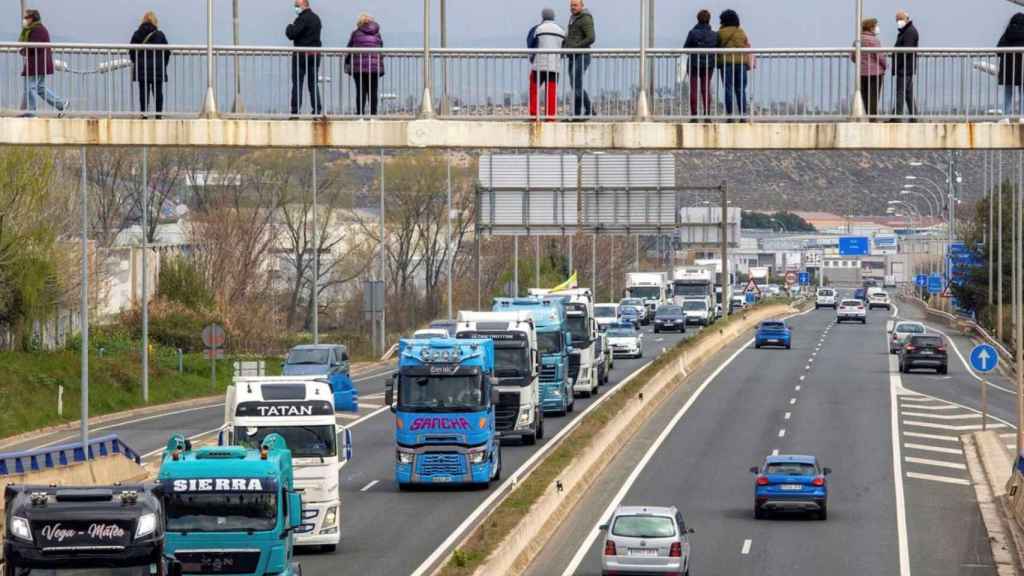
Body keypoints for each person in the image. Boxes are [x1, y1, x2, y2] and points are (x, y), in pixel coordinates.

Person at [18, 9, 68, 117]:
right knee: (40, 88)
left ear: (33, 18)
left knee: (30, 87)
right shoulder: (36, 29)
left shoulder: (37, 30)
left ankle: (31, 113)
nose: (25, 20)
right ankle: (61, 104)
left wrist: (23, 50)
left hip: (37, 64)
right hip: (38, 63)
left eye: (27, 18)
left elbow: (33, 46)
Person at [130, 11, 171, 119]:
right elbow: (167, 52)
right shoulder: (160, 35)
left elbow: (132, 51)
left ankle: (144, 115)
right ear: (155, 21)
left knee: (143, 92)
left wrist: (137, 62)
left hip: (142, 69)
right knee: (158, 93)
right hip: (157, 69)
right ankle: (158, 116)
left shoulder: (137, 34)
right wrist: (163, 64)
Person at [286, 0, 323, 117]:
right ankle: (316, 110)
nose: (295, 8)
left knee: (297, 83)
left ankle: (295, 111)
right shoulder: (316, 18)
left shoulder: (302, 19)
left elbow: (292, 34)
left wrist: (289, 26)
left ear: (304, 6)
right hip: (315, 54)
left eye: (297, 6)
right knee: (313, 84)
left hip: (301, 56)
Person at [528, 8, 565, 119]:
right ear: (553, 17)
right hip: (554, 65)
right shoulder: (561, 30)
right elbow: (564, 47)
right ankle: (550, 116)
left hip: (539, 64)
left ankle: (534, 114)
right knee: (551, 91)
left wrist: (531, 58)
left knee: (534, 88)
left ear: (543, 16)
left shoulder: (538, 29)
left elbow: (531, 44)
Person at [346, 13, 384, 117]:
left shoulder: (355, 33)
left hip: (358, 67)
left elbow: (349, 49)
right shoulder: (377, 34)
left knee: (360, 91)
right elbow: (381, 48)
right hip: (374, 67)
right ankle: (373, 114)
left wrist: (347, 63)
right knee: (373, 92)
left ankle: (360, 114)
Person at [563, 0, 595, 119]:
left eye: (575, 5)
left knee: (576, 84)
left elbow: (591, 38)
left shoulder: (585, 18)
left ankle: (585, 111)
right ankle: (582, 112)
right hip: (572, 55)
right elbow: (571, 37)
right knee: (575, 85)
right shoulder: (573, 19)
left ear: (582, 6)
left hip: (582, 55)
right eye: (571, 5)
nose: (573, 7)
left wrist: (576, 47)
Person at [683, 9, 718, 118]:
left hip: (694, 64)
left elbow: (685, 48)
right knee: (705, 89)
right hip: (708, 65)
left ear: (698, 19)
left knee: (693, 89)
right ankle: (707, 115)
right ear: (709, 20)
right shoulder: (714, 35)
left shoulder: (692, 33)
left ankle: (694, 115)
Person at [717, 9, 750, 119]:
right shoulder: (741, 32)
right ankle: (743, 115)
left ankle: (730, 115)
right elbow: (746, 44)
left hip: (727, 64)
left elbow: (717, 45)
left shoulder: (721, 33)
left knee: (728, 88)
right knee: (740, 89)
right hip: (741, 63)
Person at [854, 18, 887, 118]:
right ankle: (872, 118)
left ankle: (868, 116)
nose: (877, 28)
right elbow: (880, 57)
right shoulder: (874, 41)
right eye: (876, 26)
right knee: (873, 97)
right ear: (871, 27)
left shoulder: (858, 40)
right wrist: (885, 66)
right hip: (875, 73)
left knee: (865, 97)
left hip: (862, 73)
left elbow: (853, 56)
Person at [892, 10, 918, 121]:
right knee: (907, 94)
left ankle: (897, 117)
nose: (898, 21)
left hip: (905, 68)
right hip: (905, 68)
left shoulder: (909, 32)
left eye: (900, 19)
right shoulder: (906, 31)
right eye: (897, 20)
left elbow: (906, 50)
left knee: (901, 92)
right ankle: (914, 117)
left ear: (907, 18)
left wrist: (898, 64)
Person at [998, 13, 1024, 119]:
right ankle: (1022, 116)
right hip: (1022, 70)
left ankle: (1006, 116)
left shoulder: (1007, 34)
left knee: (1008, 94)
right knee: (1023, 94)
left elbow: (999, 50)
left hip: (1008, 70)